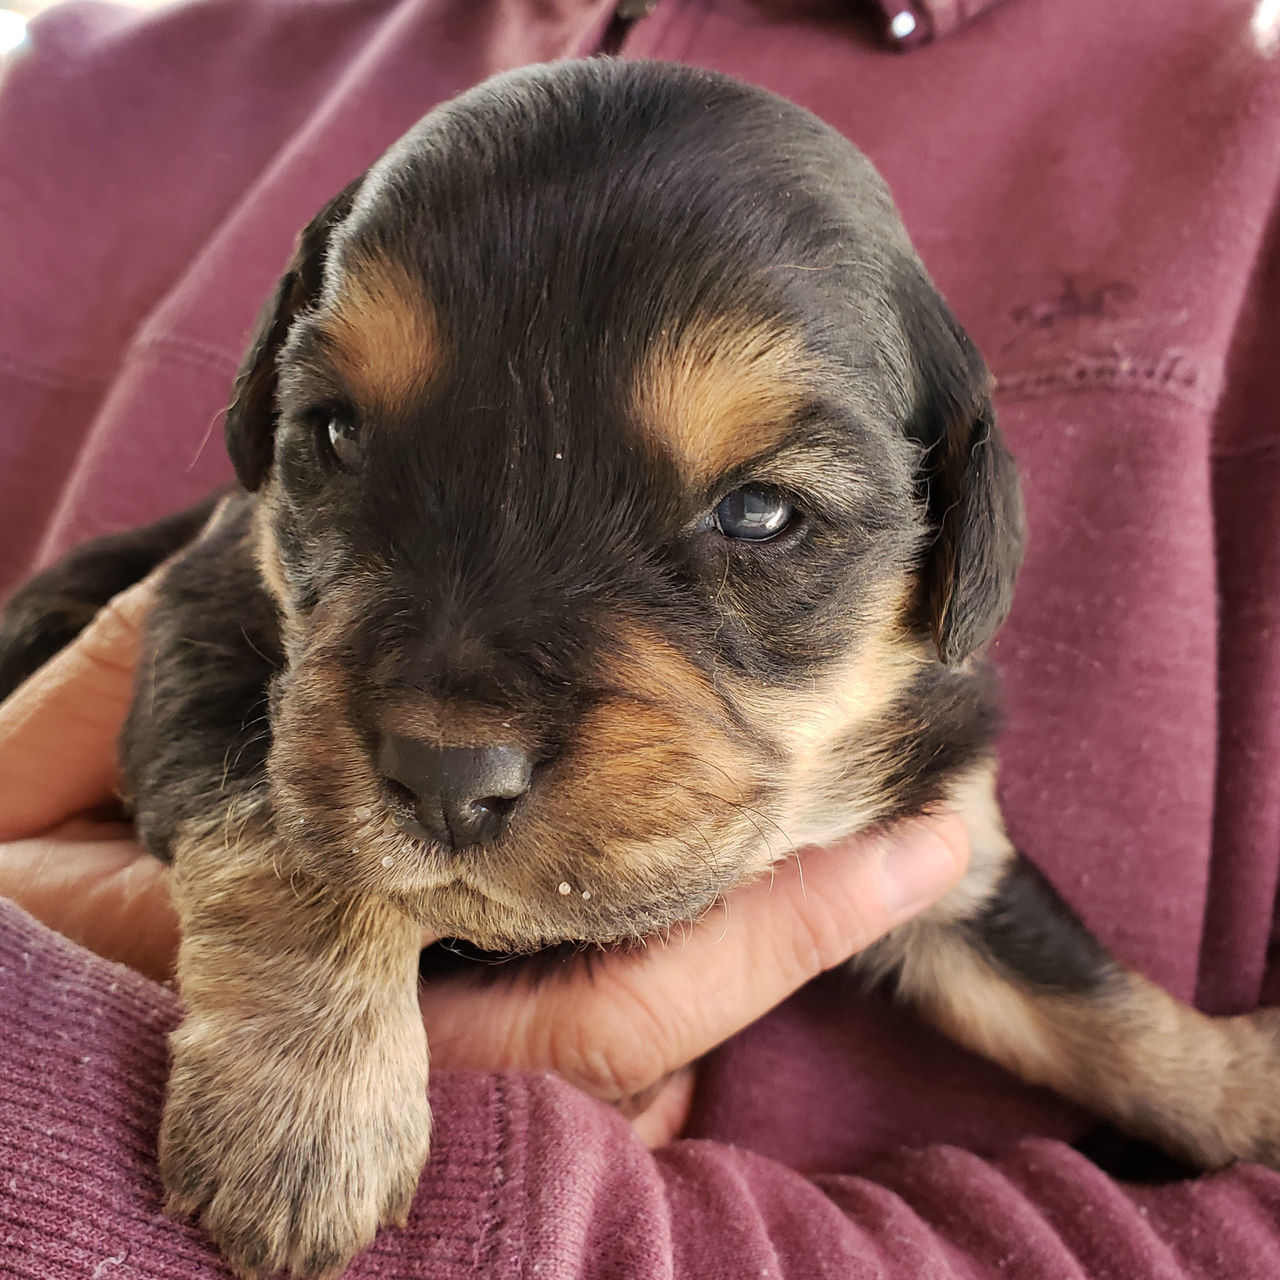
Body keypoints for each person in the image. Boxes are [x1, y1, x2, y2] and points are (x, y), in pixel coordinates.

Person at [2, 0, 1279, 1275]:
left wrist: (1206, 1085)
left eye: (758, 511)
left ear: (954, 552)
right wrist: (283, 965)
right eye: (341, 437)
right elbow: (188, 634)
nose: (455, 727)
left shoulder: (1237, 125)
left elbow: (968, 906)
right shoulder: (64, 96)